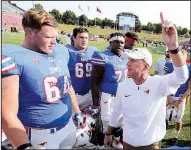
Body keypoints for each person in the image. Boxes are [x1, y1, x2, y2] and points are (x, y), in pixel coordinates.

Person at [104, 12, 189, 149]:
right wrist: (108, 133)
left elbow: (181, 76)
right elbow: (116, 111)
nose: (128, 63)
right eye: (128, 59)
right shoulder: (123, 85)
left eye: (133, 60)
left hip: (150, 146)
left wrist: (173, 47)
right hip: (127, 144)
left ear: (145, 66)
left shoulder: (158, 83)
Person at [2, 9, 82, 149]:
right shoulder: (13, 56)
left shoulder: (61, 51)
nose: (53, 42)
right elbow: (6, 114)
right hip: (40, 135)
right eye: (48, 37)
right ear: (30, 33)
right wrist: (24, 146)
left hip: (68, 125)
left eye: (55, 37)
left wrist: (77, 112)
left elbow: (68, 86)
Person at [91, 32, 128, 149]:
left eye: (122, 42)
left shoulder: (127, 56)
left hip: (122, 94)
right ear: (110, 43)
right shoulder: (103, 56)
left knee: (121, 118)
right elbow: (94, 80)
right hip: (107, 94)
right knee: (106, 120)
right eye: (116, 42)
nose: (119, 45)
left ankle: (116, 140)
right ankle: (103, 144)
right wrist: (95, 101)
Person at [65, 27, 98, 110]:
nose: (84, 40)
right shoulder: (66, 51)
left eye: (86, 38)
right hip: (72, 95)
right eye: (81, 37)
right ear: (74, 38)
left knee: (88, 121)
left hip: (89, 94)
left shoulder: (94, 51)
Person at [165, 49, 190, 145]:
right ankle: (160, 133)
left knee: (179, 118)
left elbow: (189, 88)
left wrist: (180, 100)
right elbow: (164, 83)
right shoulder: (169, 65)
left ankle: (175, 136)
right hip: (168, 95)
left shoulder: (189, 68)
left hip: (180, 97)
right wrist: (168, 96)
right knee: (162, 116)